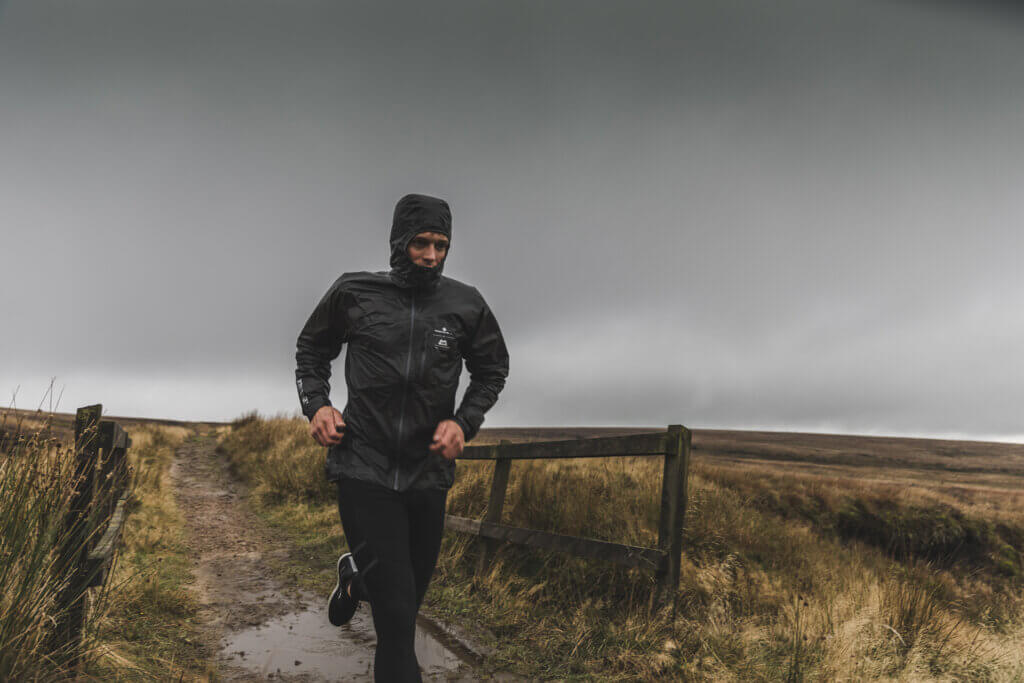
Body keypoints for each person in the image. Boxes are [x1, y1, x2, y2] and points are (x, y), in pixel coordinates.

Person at [294, 193, 510, 682]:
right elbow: (311, 349)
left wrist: (464, 422)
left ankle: (355, 581)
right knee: (397, 621)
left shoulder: (466, 305)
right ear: (399, 241)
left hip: (426, 473)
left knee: (405, 595)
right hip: (362, 467)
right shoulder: (355, 292)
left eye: (441, 245)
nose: (431, 255)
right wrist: (318, 404)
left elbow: (493, 368)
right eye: (420, 243)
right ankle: (369, 587)